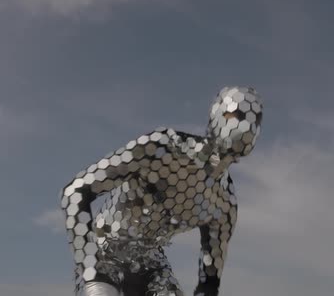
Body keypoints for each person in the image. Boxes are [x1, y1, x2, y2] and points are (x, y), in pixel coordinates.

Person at [60, 86, 263, 296]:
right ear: (216, 117)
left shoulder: (224, 204)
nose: (247, 125)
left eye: (256, 120)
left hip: (152, 266)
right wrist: (93, 276)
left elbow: (209, 283)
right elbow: (74, 192)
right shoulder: (161, 147)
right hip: (104, 252)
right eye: (236, 114)